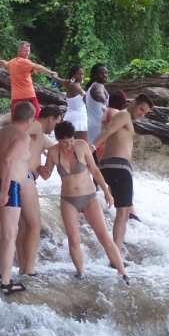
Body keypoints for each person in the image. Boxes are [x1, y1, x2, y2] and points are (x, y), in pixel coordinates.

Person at [40, 121, 129, 283]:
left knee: (104, 236)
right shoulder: (53, 152)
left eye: (70, 141)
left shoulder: (81, 146)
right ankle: (81, 273)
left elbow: (94, 170)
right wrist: (40, 168)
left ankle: (123, 273)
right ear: (57, 139)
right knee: (74, 239)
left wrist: (107, 192)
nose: (68, 145)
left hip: (89, 197)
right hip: (68, 199)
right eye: (64, 142)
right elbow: (46, 176)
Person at [90, 94, 153, 253]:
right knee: (123, 212)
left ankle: (114, 253)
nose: (141, 114)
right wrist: (90, 148)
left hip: (110, 165)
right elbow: (108, 130)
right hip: (118, 166)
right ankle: (115, 256)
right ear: (134, 103)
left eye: (145, 113)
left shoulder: (125, 118)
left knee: (122, 210)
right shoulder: (124, 114)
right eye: (141, 109)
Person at [0, 101, 35, 295]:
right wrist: (5, 190)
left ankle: (2, 273)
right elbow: (7, 161)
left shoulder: (1, 132)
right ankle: (6, 282)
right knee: (9, 234)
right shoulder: (22, 137)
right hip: (7, 187)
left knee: (7, 233)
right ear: (30, 119)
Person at [17, 105, 62, 277]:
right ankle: (29, 270)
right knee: (35, 225)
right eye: (57, 123)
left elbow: (55, 148)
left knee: (23, 226)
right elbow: (17, 133)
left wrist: (43, 166)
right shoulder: (35, 125)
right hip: (25, 177)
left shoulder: (41, 136)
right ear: (50, 119)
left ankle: (23, 268)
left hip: (24, 176)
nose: (55, 128)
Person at [0, 41, 58, 120]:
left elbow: (5, 63)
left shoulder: (13, 62)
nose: (27, 53)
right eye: (25, 51)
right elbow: (37, 67)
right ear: (19, 51)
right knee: (38, 119)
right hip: (28, 96)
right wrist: (50, 72)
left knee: (16, 121)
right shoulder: (24, 61)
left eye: (28, 51)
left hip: (16, 97)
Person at [54, 64, 88, 142]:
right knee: (83, 144)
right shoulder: (75, 85)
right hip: (80, 119)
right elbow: (80, 90)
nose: (81, 76)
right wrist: (83, 93)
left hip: (69, 117)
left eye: (82, 74)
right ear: (73, 75)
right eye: (78, 74)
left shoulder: (67, 82)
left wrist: (54, 76)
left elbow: (58, 80)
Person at [85, 63, 110, 151]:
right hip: (98, 127)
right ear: (94, 75)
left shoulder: (91, 87)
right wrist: (105, 102)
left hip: (92, 125)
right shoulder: (98, 86)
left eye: (106, 73)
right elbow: (99, 93)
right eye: (101, 73)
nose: (105, 75)